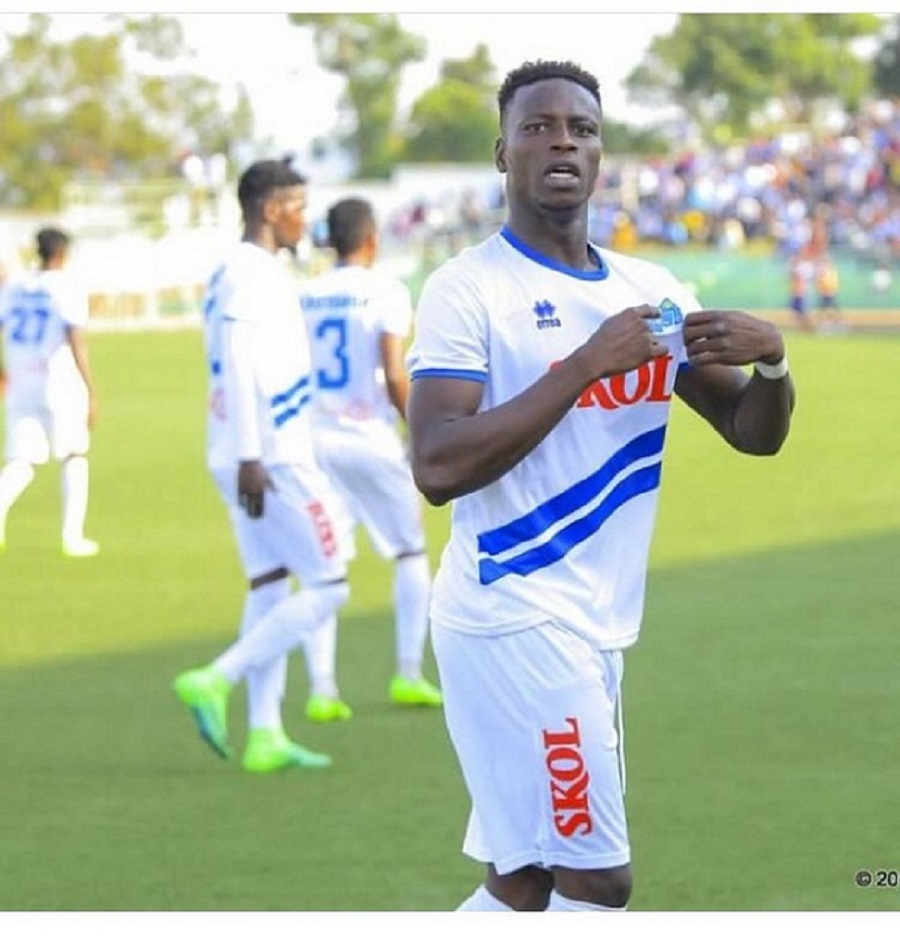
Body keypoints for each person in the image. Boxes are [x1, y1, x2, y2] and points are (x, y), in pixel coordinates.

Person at [405, 60, 795, 913]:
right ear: (502, 152)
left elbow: (750, 431)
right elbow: (435, 464)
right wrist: (584, 365)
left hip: (591, 625)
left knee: (524, 883)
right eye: (538, 127)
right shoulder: (468, 289)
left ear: (599, 154)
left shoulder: (649, 292)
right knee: (597, 880)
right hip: (514, 614)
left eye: (580, 129)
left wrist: (773, 361)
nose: (562, 142)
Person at [172, 159, 351, 774]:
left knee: (271, 584)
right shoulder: (252, 272)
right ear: (272, 210)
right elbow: (241, 360)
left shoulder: (239, 270)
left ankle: (266, 733)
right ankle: (215, 678)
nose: (306, 218)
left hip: (242, 449)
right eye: (298, 205)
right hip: (269, 456)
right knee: (330, 583)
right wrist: (253, 454)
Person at [297, 197, 442, 722]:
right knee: (409, 551)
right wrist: (419, 427)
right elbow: (394, 371)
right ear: (372, 238)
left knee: (322, 567)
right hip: (371, 438)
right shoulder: (385, 291)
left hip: (314, 440)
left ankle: (322, 689)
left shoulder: (306, 295)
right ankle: (408, 672)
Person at [0, 227, 99, 557]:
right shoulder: (67, 286)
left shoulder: (15, 287)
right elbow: (75, 338)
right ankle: (72, 537)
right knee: (74, 455)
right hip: (60, 381)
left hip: (21, 381)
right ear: (62, 253)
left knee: (23, 459)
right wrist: (90, 389)